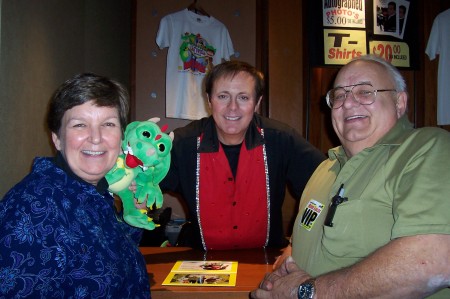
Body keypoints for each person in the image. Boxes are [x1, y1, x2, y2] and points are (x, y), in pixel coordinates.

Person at [251, 55, 450, 298]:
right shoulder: (324, 169)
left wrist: (306, 292)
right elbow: (307, 235)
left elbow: (432, 261)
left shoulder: (428, 148)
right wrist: (286, 266)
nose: (348, 103)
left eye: (365, 92)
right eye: (340, 95)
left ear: (399, 102)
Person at [0, 73, 151, 298]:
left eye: (108, 124)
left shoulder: (93, 190)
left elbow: (105, 249)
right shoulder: (32, 211)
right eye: (80, 125)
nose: (96, 138)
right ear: (57, 138)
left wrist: (135, 212)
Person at [160, 60, 325, 250]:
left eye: (243, 98)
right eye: (223, 96)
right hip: (201, 262)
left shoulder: (281, 139)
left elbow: (325, 187)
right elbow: (143, 182)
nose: (232, 107)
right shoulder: (183, 143)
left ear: (257, 103)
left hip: (267, 261)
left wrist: (299, 240)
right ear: (209, 100)